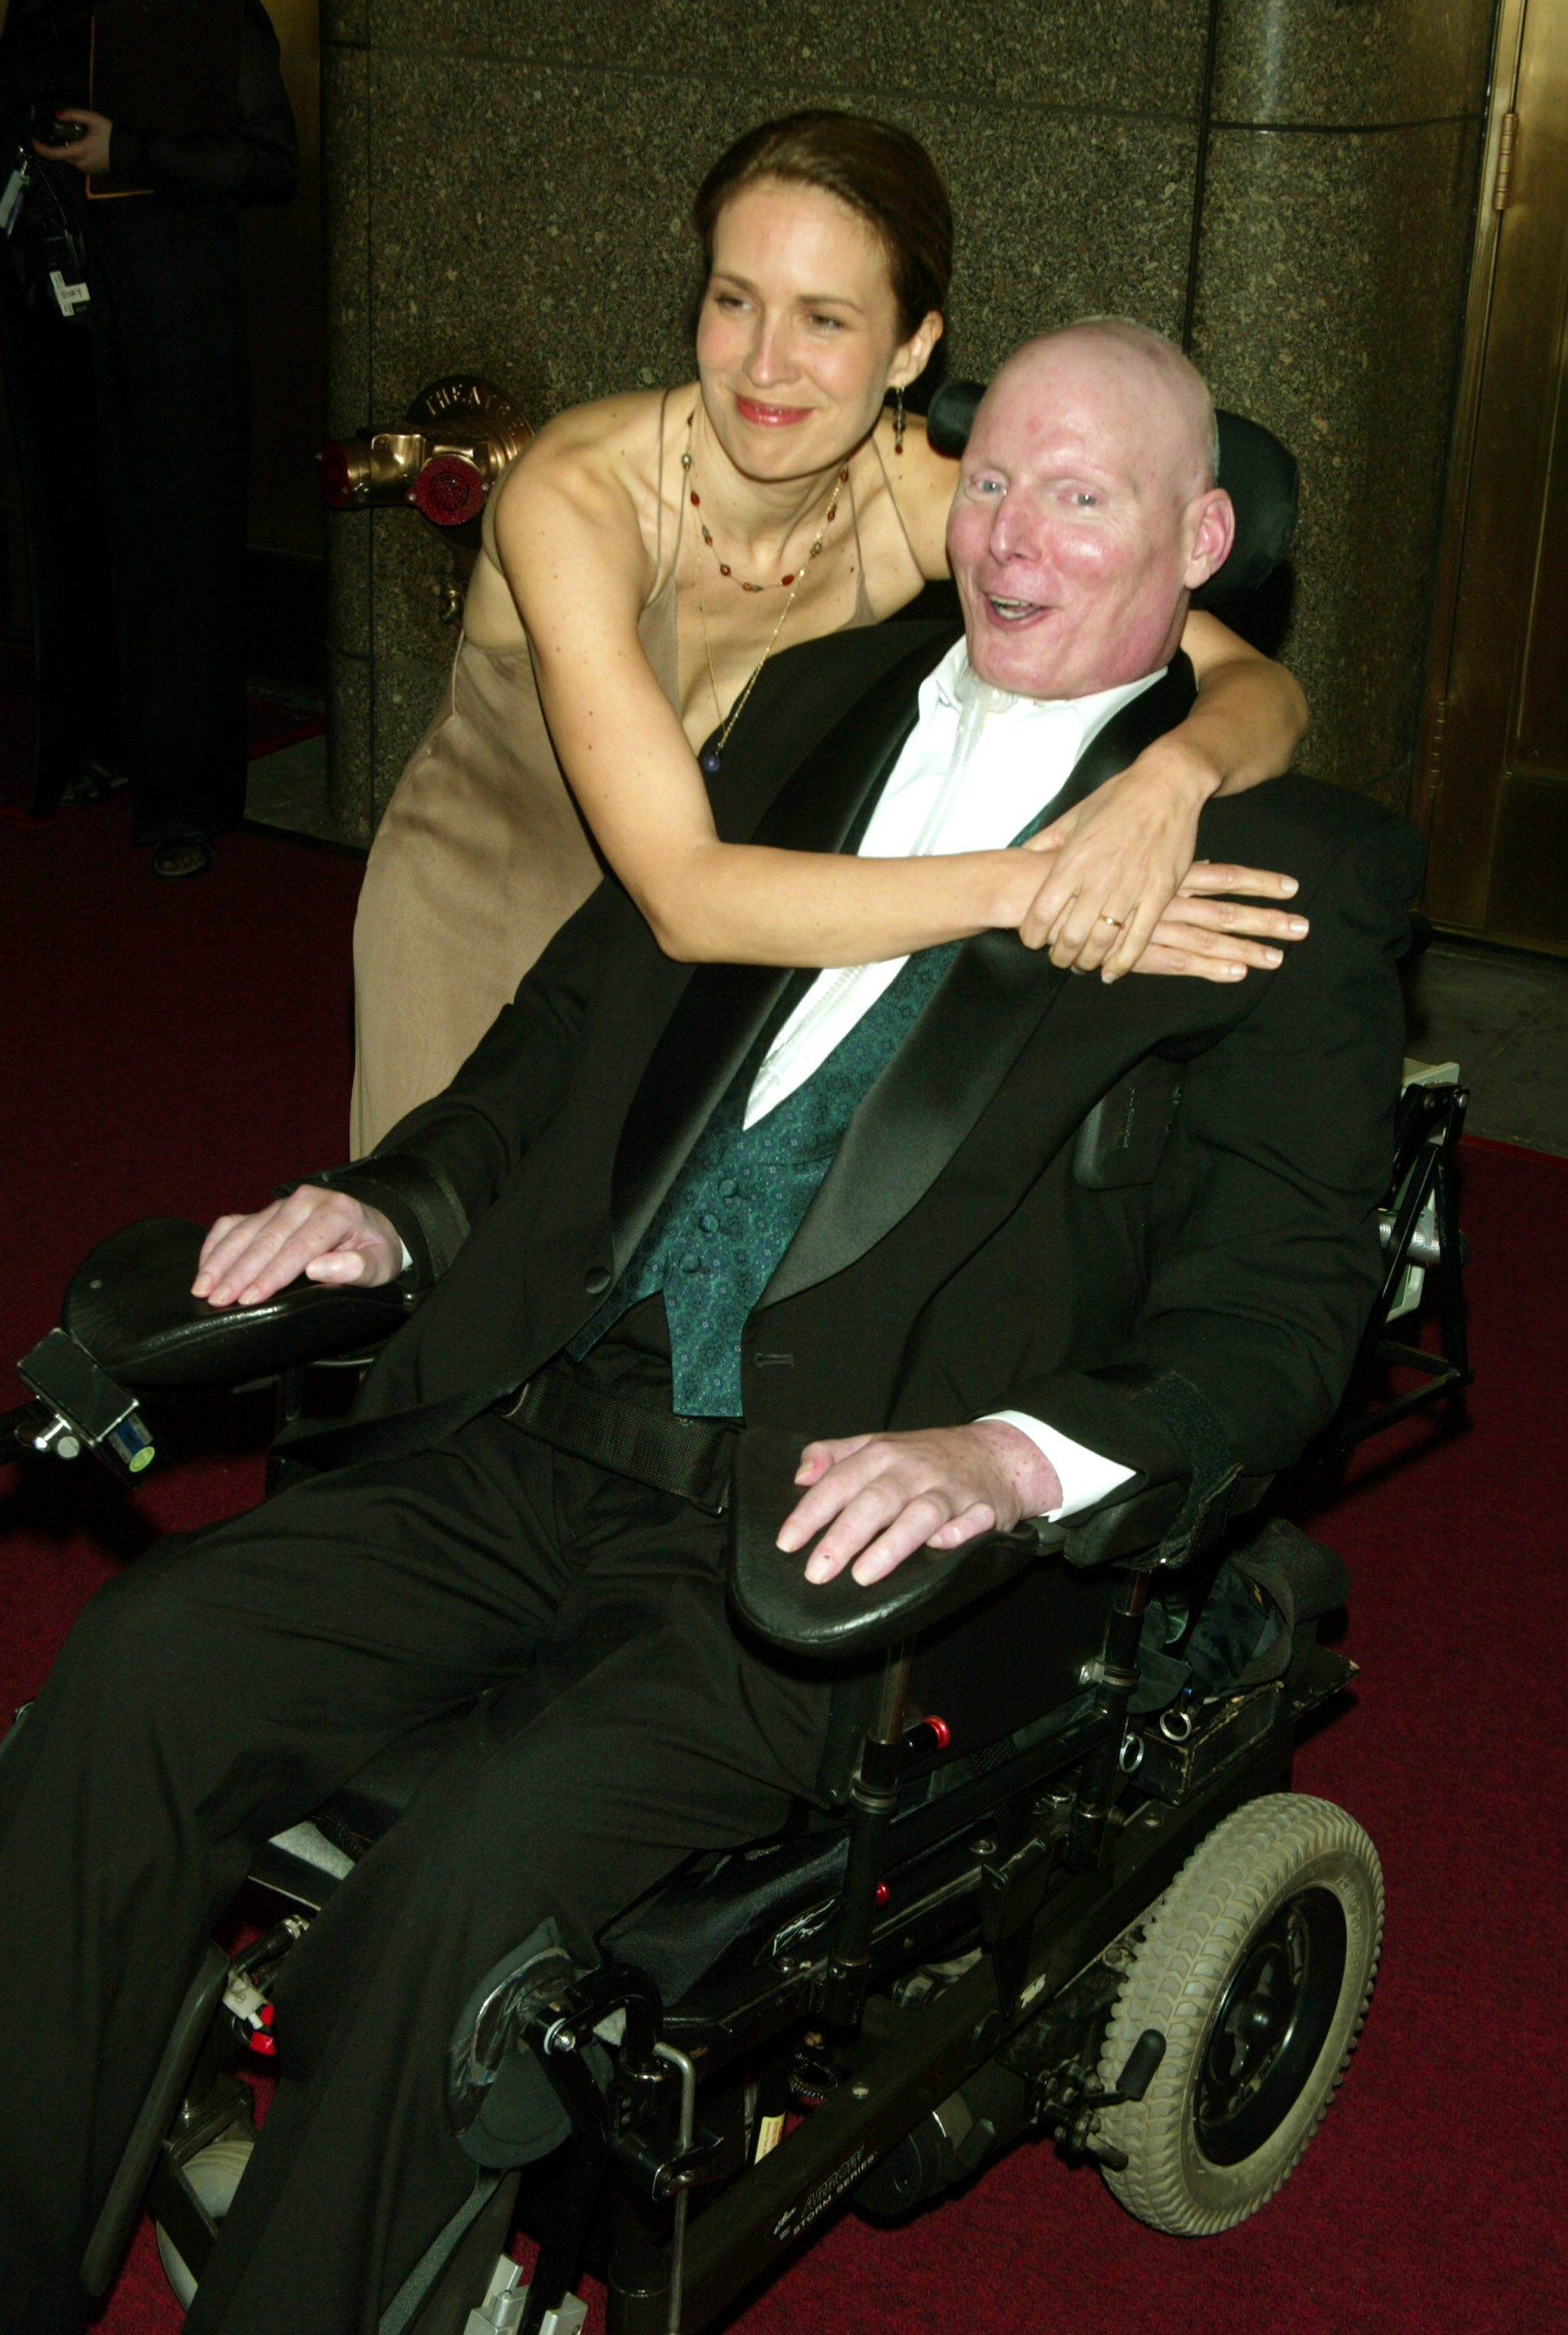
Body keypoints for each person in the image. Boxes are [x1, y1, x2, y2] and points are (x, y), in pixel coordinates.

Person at [0, 320, 1419, 2335]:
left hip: (811, 1545)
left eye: (1080, 495)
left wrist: (1005, 1457)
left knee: (455, 1892)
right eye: (985, 479)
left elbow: (1282, 1307)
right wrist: (389, 1201)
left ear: (1198, 537)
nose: (1010, 536)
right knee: (133, 1673)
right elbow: (575, 1017)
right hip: (539, 1419)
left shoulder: (1289, 865)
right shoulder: (809, 700)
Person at [349, 109, 1310, 1152]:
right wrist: (1044, 883)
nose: (765, 365)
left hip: (761, 913)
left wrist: (1167, 786)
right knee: (435, 1262)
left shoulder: (930, 496)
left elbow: (1259, 690)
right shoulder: (575, 499)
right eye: (733, 302)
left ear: (911, 348)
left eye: (823, 320)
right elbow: (682, 893)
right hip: (492, 908)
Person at [0, 0, 297, 876]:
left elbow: (273, 162)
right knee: (78, 524)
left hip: (175, 312)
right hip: (56, 301)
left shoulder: (209, 11)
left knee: (183, 542)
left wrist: (124, 151)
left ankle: (185, 800)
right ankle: (97, 748)